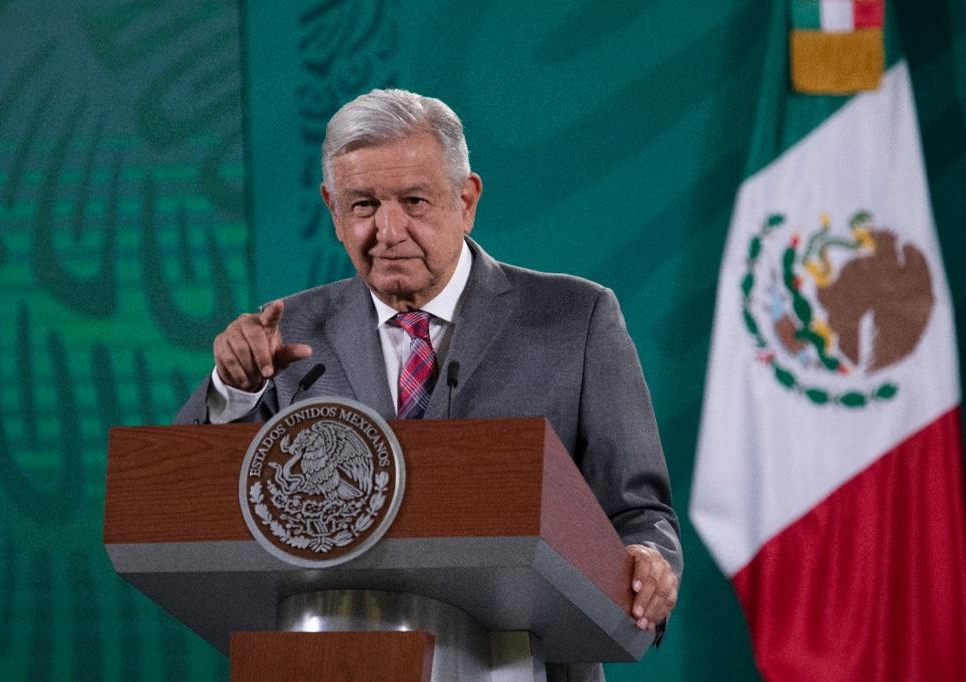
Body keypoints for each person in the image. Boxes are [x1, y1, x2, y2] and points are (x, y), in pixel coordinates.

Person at [176, 88, 681, 678]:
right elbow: (188, 504)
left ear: (466, 201)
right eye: (362, 206)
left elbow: (639, 509)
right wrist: (230, 389)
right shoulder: (288, 332)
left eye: (414, 201)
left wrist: (649, 559)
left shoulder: (576, 318)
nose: (387, 231)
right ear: (332, 209)